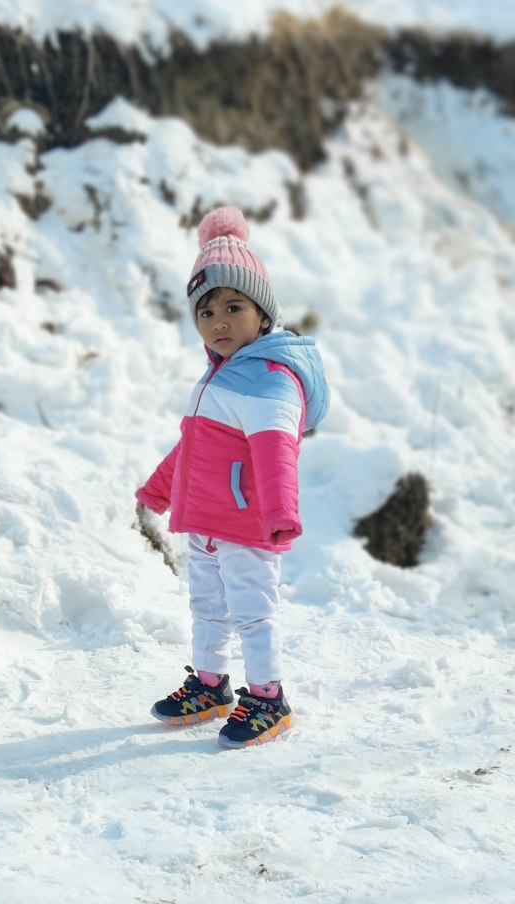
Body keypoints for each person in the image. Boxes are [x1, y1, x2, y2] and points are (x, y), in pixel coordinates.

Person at [137, 205, 329, 748]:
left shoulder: (270, 379)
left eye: (233, 306)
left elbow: (274, 454)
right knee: (207, 607)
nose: (218, 321)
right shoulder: (223, 375)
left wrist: (280, 514)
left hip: (247, 524)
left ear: (262, 313)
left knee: (252, 612)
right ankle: (210, 685)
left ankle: (268, 698)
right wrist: (159, 487)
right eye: (206, 311)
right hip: (206, 520)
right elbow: (196, 445)